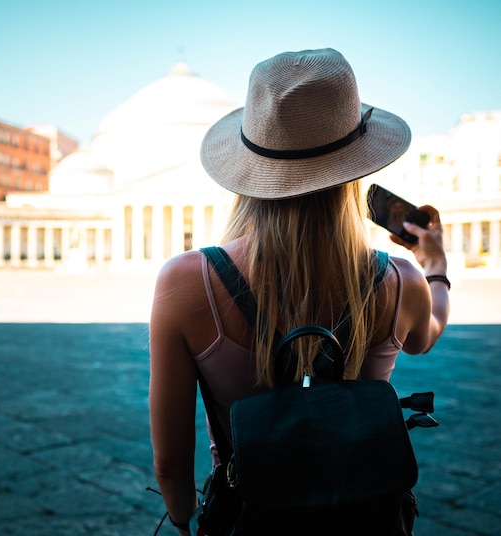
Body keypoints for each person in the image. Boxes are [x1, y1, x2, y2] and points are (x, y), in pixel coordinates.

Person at [149, 48, 450, 533]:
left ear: (252, 167)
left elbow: (170, 463)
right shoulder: (402, 280)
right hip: (367, 518)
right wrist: (434, 265)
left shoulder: (186, 281)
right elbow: (427, 332)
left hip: (249, 516)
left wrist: (185, 522)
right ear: (356, 172)